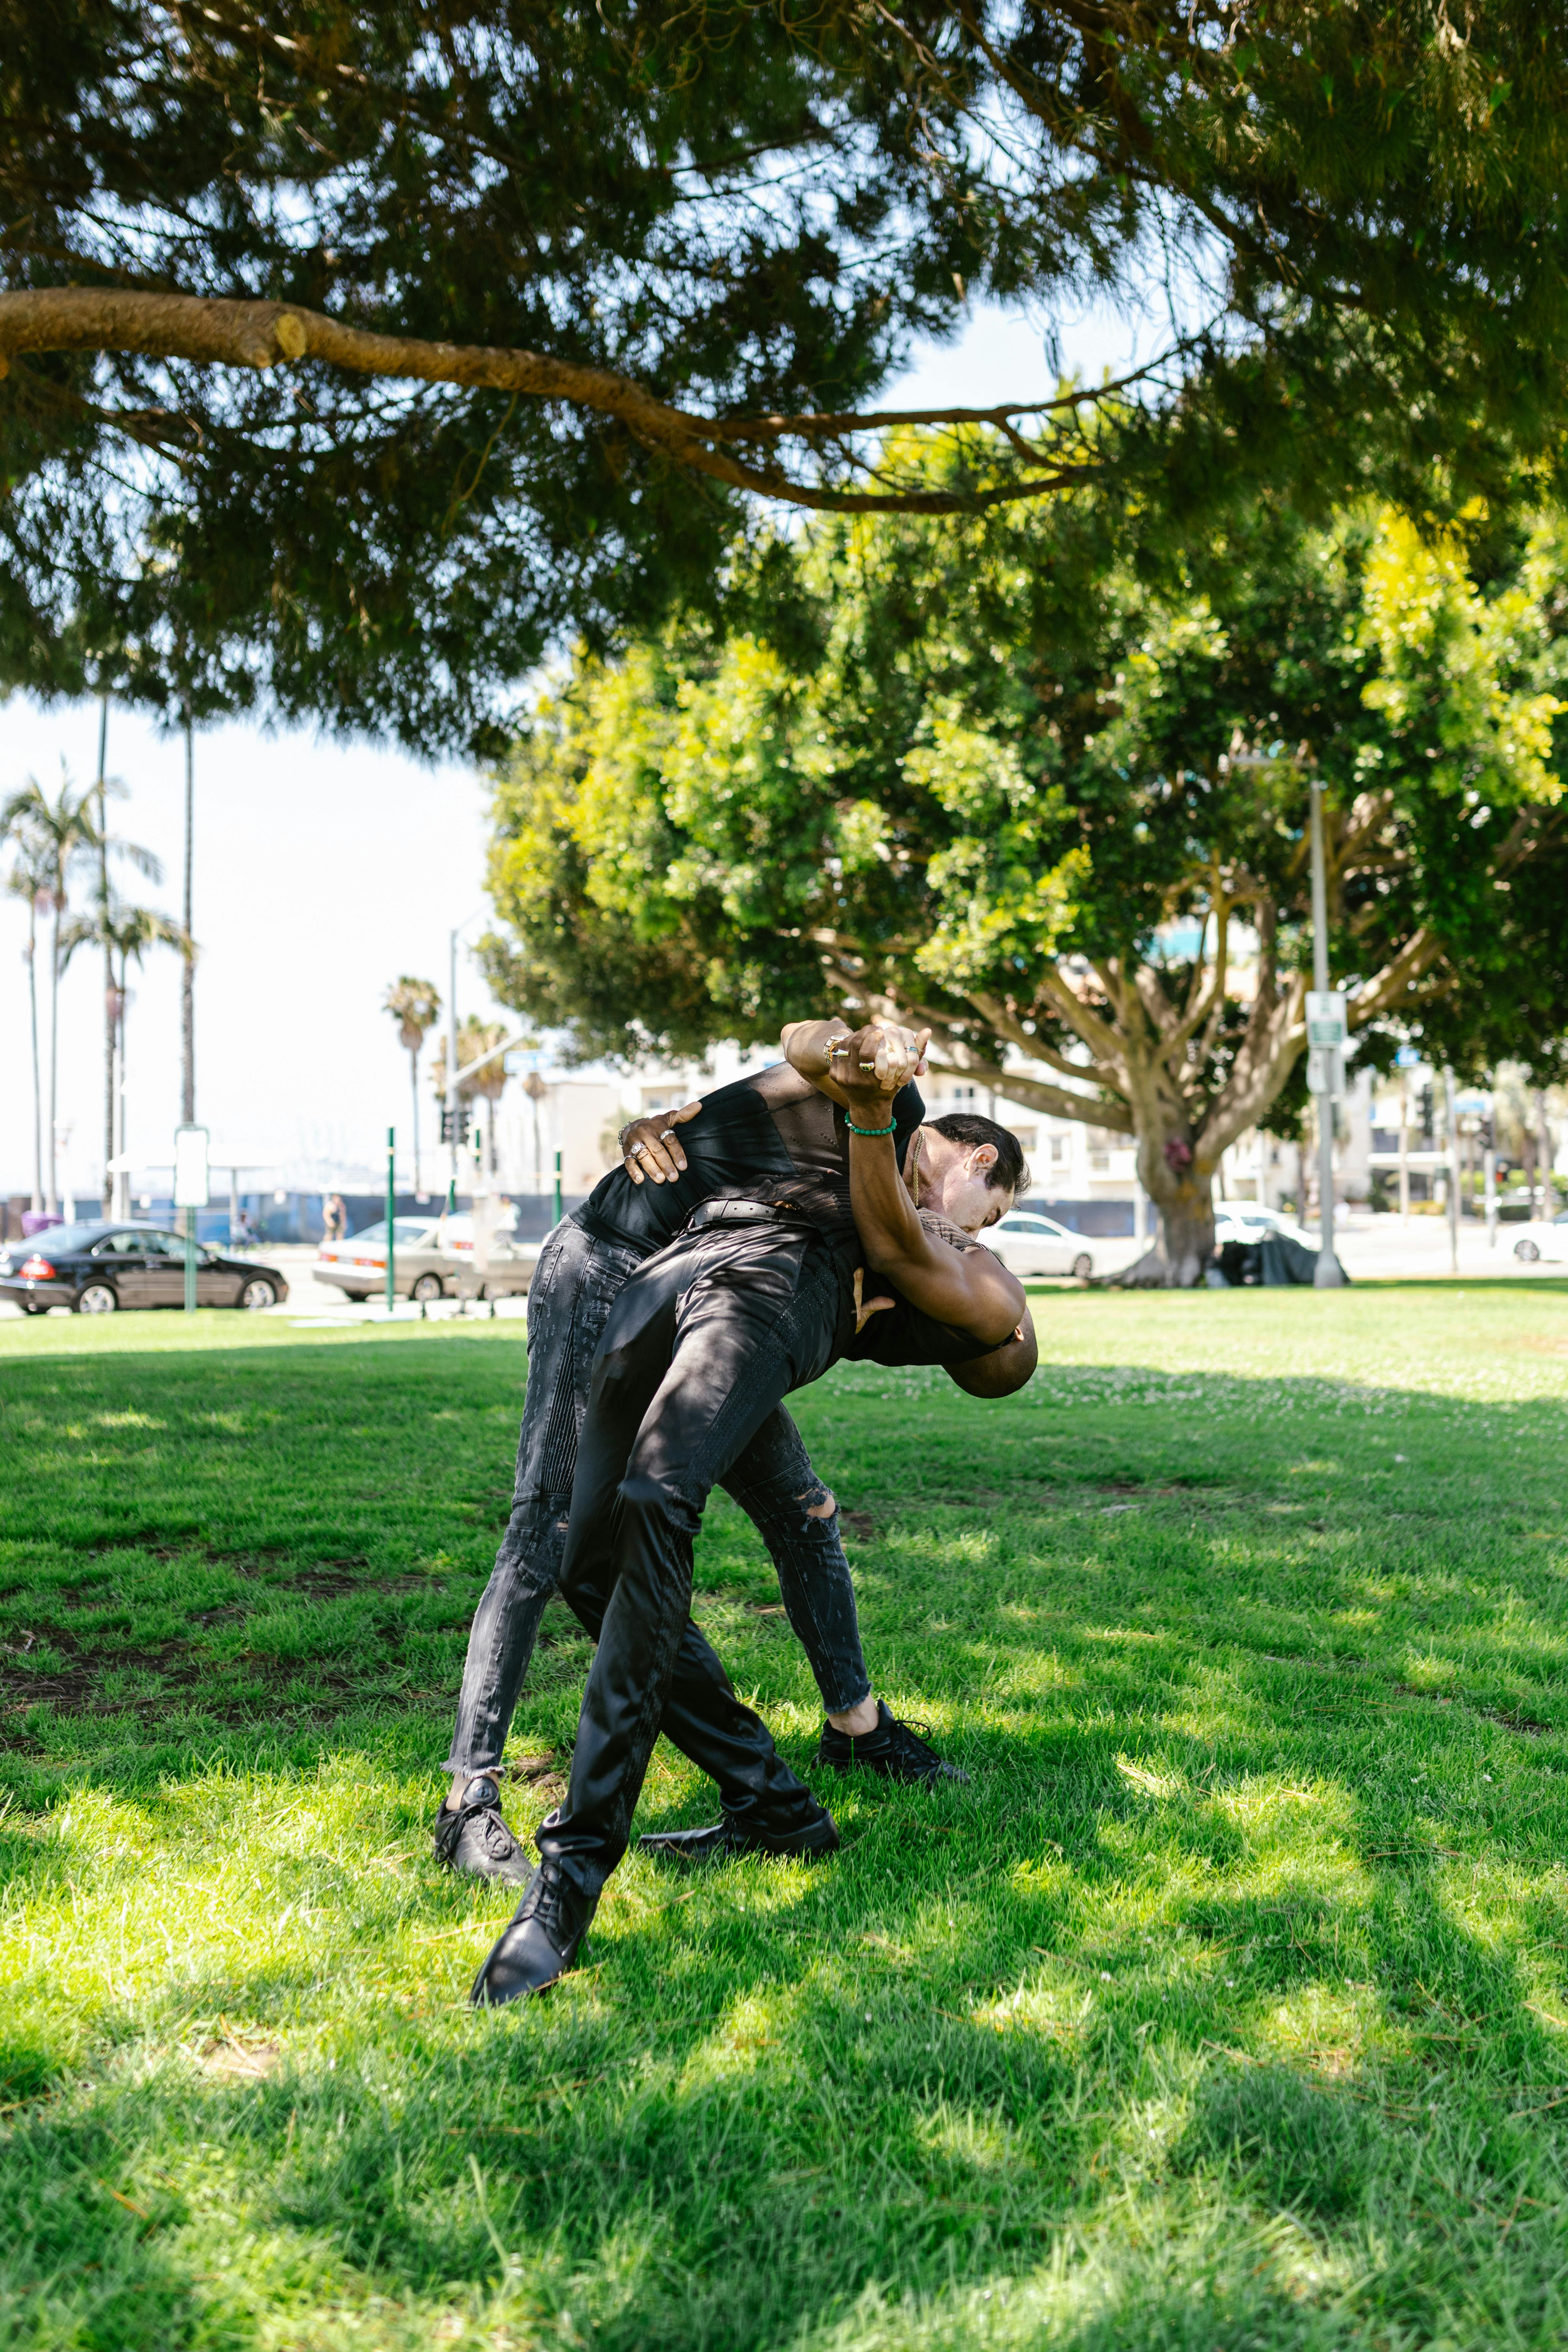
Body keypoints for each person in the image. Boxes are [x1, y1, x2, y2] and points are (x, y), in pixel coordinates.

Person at [470, 1019, 1034, 2005]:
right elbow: (801, 1048)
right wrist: (858, 1061)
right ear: (976, 1155)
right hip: (660, 1272)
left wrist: (868, 1122)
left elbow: (946, 1286)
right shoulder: (890, 1114)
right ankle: (773, 1806)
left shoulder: (973, 1278)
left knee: (664, 1495)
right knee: (583, 1562)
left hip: (768, 1292)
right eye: (986, 1212)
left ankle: (566, 1881)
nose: (981, 1230)